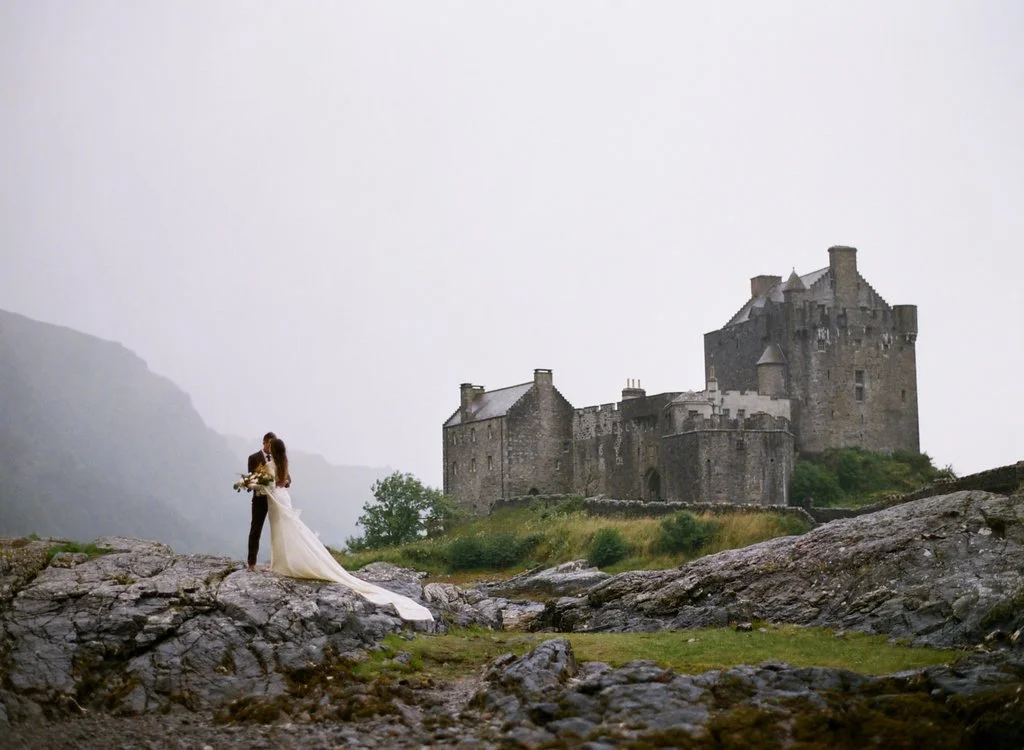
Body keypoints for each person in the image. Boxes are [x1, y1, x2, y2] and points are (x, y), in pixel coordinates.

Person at [263, 437, 433, 622]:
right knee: (286, 532)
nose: (268, 448)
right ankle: (282, 563)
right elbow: (284, 481)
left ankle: (281, 563)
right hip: (282, 497)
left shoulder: (271, 464)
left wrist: (254, 484)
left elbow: (270, 484)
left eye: (270, 447)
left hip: (277, 499)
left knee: (281, 532)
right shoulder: (283, 463)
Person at [246, 431, 290, 572]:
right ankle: (251, 563)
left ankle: (277, 563)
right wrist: (249, 484)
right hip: (260, 500)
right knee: (255, 530)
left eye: (273, 444)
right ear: (264, 443)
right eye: (269, 444)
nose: (271, 447)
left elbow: (288, 479)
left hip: (276, 500)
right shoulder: (253, 458)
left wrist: (283, 482)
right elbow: (251, 478)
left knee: (278, 531)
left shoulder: (279, 460)